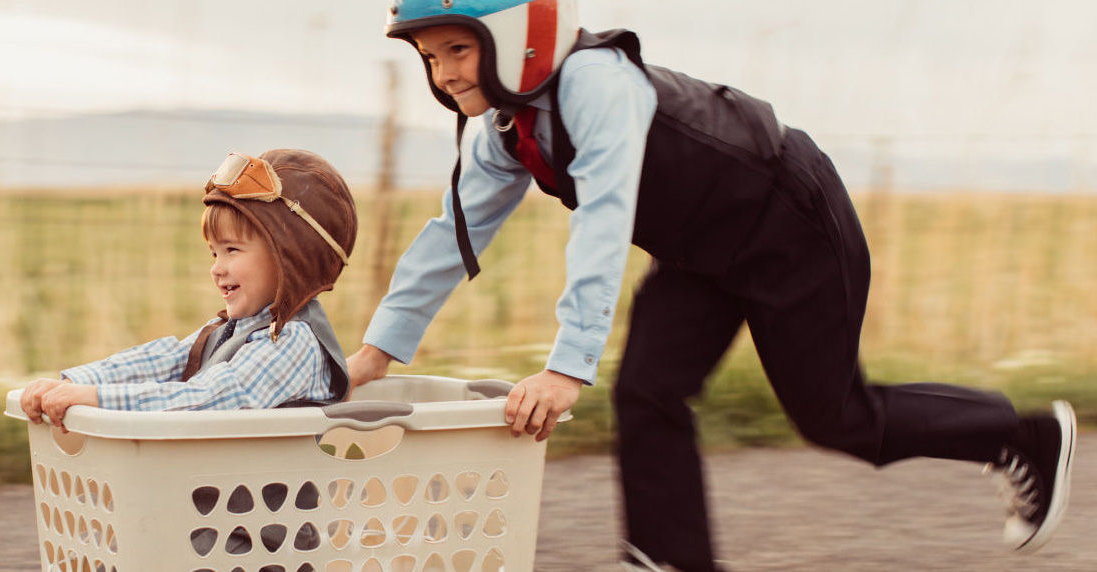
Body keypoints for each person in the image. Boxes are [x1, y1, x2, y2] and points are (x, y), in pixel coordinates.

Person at [347, 1, 1078, 569]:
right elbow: (450, 234)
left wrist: (569, 365)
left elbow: (602, 221)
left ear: (521, 34)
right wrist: (376, 355)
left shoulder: (596, 83)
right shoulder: (505, 130)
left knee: (837, 418)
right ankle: (671, 558)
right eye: (430, 57)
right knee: (648, 391)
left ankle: (1022, 435)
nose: (442, 72)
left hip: (789, 223)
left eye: (457, 48)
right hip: (702, 252)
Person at [20, 149, 358, 429]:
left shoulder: (292, 341)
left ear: (290, 257)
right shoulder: (238, 328)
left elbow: (211, 399)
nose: (216, 268)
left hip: (270, 506)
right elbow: (168, 359)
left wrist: (95, 399)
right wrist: (75, 384)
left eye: (232, 250)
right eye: (214, 253)